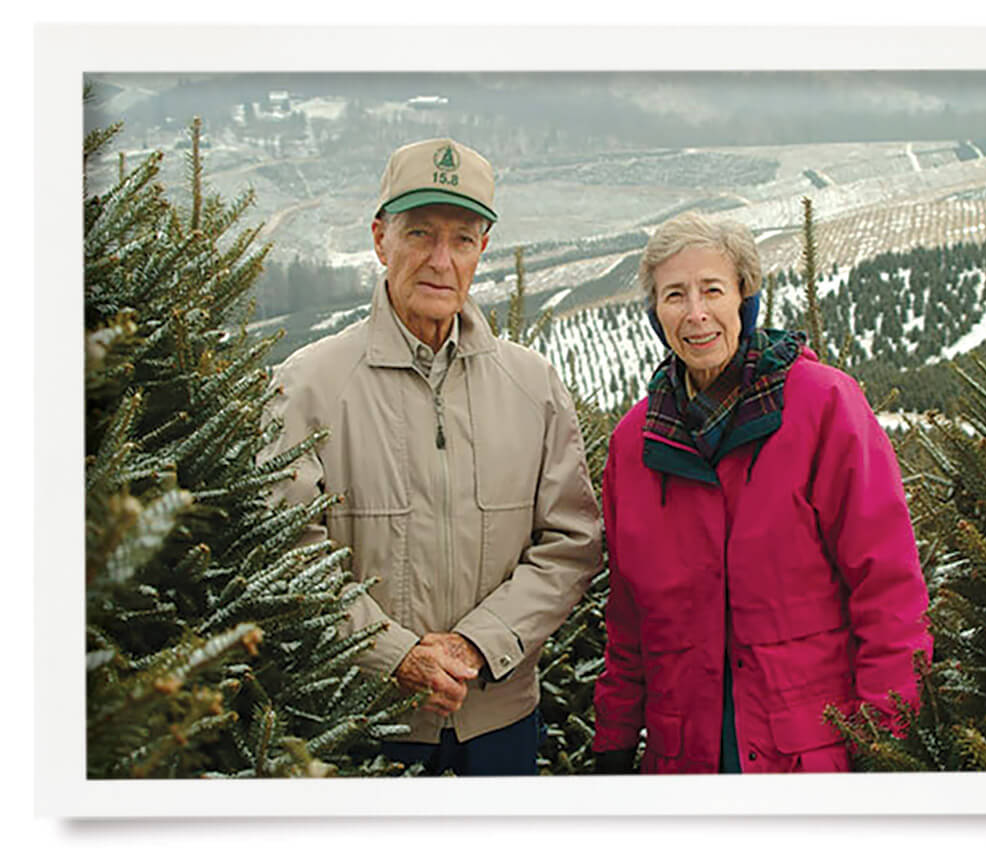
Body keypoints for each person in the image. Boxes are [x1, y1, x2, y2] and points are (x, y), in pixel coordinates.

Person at [262, 138, 602, 776]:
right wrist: (393, 654)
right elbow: (288, 554)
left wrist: (478, 643)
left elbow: (571, 542)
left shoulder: (534, 388)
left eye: (462, 239)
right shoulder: (307, 386)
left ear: (483, 250)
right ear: (380, 238)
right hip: (358, 718)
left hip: (501, 721)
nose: (440, 260)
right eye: (420, 233)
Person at [591, 211, 932, 774]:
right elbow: (628, 620)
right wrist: (613, 742)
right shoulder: (636, 443)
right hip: (684, 763)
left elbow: (888, 590)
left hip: (811, 758)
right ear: (655, 313)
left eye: (712, 290)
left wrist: (885, 743)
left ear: (745, 298)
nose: (696, 313)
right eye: (674, 295)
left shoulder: (823, 407)